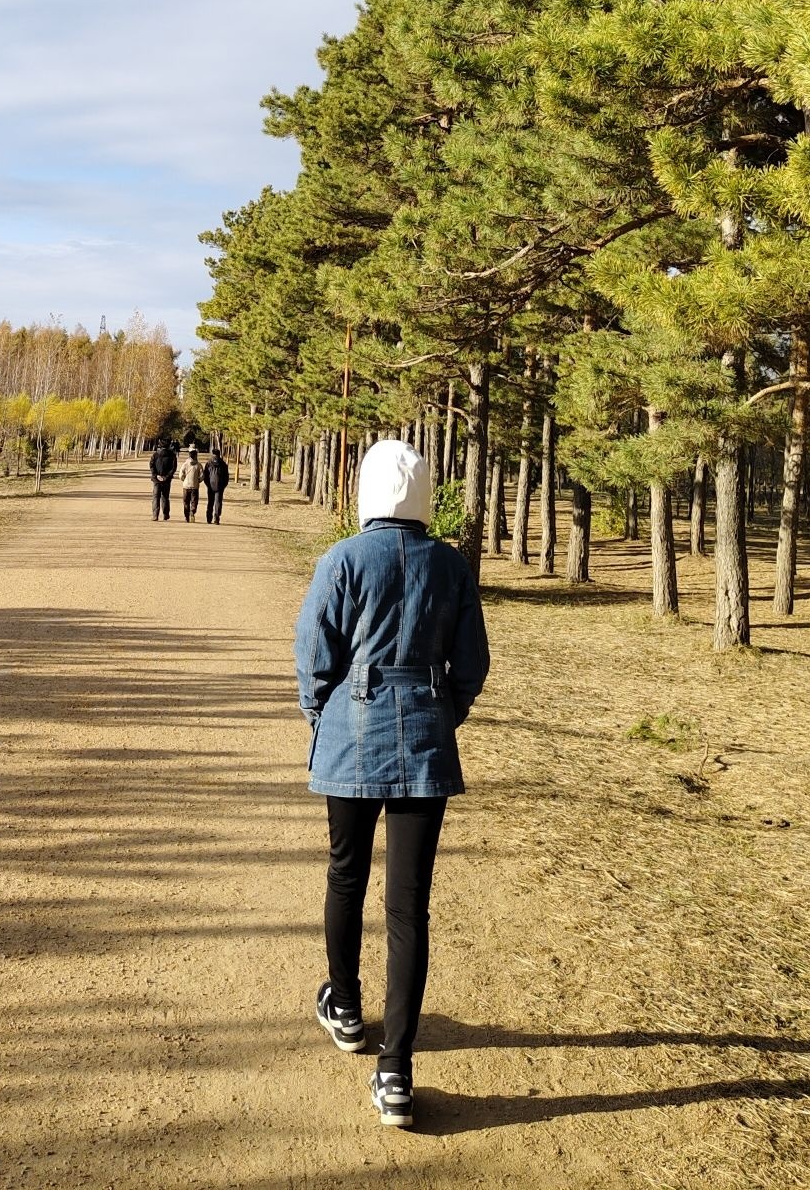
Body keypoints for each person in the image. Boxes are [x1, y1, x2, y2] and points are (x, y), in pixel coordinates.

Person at [293, 438, 490, 1131]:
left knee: (346, 875)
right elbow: (471, 665)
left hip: (353, 730)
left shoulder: (343, 559)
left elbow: (315, 655)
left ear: (366, 491)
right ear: (423, 494)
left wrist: (326, 715)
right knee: (409, 905)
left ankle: (344, 1007)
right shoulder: (451, 566)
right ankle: (397, 1072)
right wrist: (440, 712)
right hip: (426, 742)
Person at [148, 439, 176, 522]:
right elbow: (173, 468)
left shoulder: (155, 455)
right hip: (167, 480)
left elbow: (151, 465)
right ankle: (165, 514)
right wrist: (166, 477)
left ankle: (155, 515)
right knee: (165, 497)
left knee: (156, 497)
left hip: (156, 480)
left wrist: (156, 475)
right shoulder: (172, 455)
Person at [176, 443, 203, 521]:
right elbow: (202, 476)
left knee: (186, 501)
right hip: (195, 486)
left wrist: (184, 479)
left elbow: (181, 475)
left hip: (186, 486)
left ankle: (186, 516)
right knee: (194, 501)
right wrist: (198, 481)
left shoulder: (185, 464)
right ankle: (192, 511)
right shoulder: (199, 465)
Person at [203, 446, 229, 524]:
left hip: (210, 485)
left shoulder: (208, 463)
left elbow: (205, 475)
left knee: (210, 501)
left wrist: (207, 484)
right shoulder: (223, 464)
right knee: (218, 502)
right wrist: (223, 485)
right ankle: (216, 518)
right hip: (220, 486)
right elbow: (226, 477)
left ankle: (208, 518)